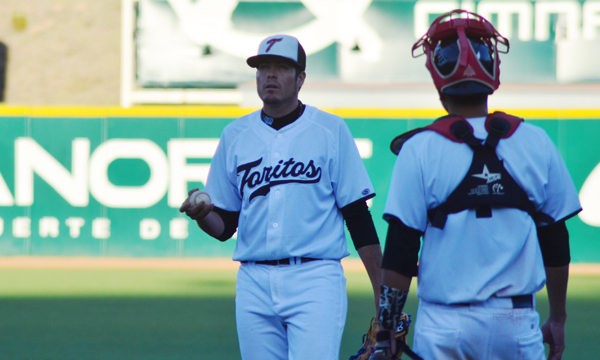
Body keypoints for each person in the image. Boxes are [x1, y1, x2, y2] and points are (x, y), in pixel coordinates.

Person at [371, 10, 581, 360]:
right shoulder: (535, 141)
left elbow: (401, 250)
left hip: (443, 325)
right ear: (493, 68)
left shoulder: (419, 148)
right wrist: (557, 317)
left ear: (437, 73)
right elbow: (556, 239)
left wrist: (386, 330)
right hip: (516, 323)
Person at [179, 34, 382, 360]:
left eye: (281, 67)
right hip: (253, 281)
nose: (270, 75)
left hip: (315, 279)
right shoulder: (235, 135)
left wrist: (381, 294)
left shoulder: (330, 130)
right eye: (263, 68)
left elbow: (358, 216)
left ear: (301, 78)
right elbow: (224, 228)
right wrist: (203, 214)